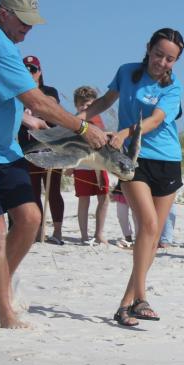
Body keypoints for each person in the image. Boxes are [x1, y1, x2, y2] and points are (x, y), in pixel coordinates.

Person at [0, 0, 108, 329]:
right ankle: (5, 313)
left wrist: (33, 123)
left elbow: (12, 101)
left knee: (30, 219)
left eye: (33, 22)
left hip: (2, 148)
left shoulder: (6, 45)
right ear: (3, 14)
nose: (28, 28)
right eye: (23, 21)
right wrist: (83, 129)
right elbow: (36, 99)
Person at [82, 27, 184, 328]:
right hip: (133, 158)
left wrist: (126, 130)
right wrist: (80, 118)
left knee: (151, 238)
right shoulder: (127, 72)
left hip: (167, 159)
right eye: (158, 55)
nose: (163, 63)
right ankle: (142, 298)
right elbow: (106, 100)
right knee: (149, 225)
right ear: (148, 49)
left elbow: (156, 119)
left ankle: (127, 303)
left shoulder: (173, 85)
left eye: (170, 59)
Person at [18, 55, 65, 245]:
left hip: (50, 148)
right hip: (28, 148)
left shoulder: (48, 90)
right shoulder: (17, 94)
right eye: (26, 69)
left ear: (39, 72)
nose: (30, 72)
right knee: (33, 190)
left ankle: (58, 231)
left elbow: (51, 104)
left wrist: (34, 97)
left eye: (33, 69)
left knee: (53, 190)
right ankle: (38, 231)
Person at [71, 86, 109, 246]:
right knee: (84, 200)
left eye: (89, 105)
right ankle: (84, 235)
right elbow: (70, 144)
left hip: (99, 165)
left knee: (104, 198)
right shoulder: (74, 120)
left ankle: (99, 233)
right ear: (76, 105)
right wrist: (69, 165)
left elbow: (103, 144)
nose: (86, 108)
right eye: (82, 105)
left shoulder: (98, 119)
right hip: (82, 166)